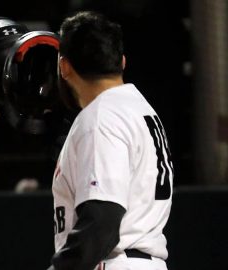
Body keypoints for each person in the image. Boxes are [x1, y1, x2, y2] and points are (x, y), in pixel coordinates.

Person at [48, 11, 174, 270]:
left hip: (116, 262)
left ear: (64, 66)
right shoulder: (139, 107)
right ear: (122, 62)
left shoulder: (102, 117)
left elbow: (102, 218)